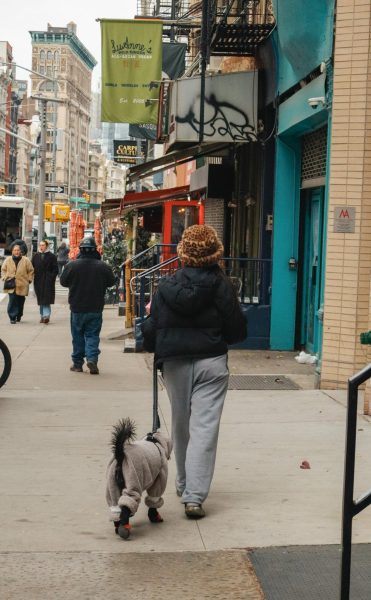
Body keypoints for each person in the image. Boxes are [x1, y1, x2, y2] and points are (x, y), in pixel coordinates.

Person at [142, 224, 247, 520]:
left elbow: (153, 327)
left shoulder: (166, 286)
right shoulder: (222, 286)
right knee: (205, 428)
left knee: (180, 423)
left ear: (182, 254)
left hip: (175, 362)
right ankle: (194, 497)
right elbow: (237, 330)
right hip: (211, 362)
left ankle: (184, 482)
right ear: (215, 255)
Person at [60, 236, 115, 374]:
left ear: (81, 250)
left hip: (77, 307)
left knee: (77, 335)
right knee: (92, 335)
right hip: (95, 307)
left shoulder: (72, 265)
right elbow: (111, 282)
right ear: (95, 250)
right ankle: (92, 358)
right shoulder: (103, 266)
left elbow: (63, 282)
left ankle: (77, 364)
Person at [1, 244, 34, 324]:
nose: (16, 252)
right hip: (11, 284)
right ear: (12, 251)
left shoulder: (26, 260)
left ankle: (19, 315)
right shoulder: (8, 260)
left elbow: (31, 271)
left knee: (20, 301)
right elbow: (3, 270)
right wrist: (4, 277)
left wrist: (29, 280)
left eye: (18, 250)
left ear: (20, 251)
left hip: (22, 284)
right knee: (12, 301)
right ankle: (12, 317)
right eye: (15, 250)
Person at [32, 240, 59, 324]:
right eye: (40, 245)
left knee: (46, 299)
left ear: (46, 246)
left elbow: (56, 269)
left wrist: (51, 277)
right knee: (41, 299)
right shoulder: (36, 256)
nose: (41, 247)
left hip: (48, 280)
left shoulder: (52, 256)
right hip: (38, 280)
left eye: (43, 245)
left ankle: (46, 316)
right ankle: (42, 315)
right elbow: (31, 267)